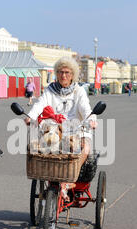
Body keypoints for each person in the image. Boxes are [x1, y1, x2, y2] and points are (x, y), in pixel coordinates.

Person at [24, 57, 98, 200]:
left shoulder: (79, 91)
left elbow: (85, 108)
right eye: (60, 72)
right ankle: (52, 177)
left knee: (85, 148)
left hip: (77, 129)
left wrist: (92, 120)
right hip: (54, 129)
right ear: (56, 74)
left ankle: (70, 179)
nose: (63, 75)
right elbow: (40, 104)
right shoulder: (50, 90)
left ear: (73, 75)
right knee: (40, 147)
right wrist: (30, 116)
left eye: (67, 72)